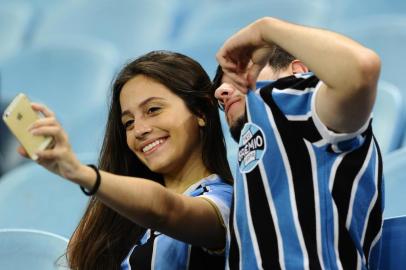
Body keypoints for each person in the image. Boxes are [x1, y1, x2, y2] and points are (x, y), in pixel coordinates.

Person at [20, 51, 233, 269]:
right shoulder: (117, 214)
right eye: (128, 123)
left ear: (201, 112)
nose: (139, 130)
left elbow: (165, 209)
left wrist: (79, 172)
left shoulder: (225, 201)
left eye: (153, 110)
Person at [213, 17, 383, 269]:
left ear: (299, 71)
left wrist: (265, 29)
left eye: (240, 73)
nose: (220, 92)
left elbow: (362, 67)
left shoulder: (295, 103)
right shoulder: (253, 154)